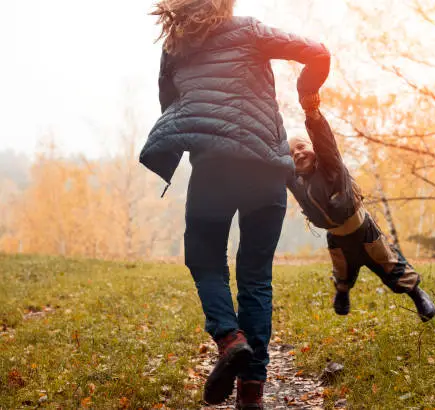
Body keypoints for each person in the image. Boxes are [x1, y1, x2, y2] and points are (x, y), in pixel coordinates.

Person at [139, 1, 330, 408]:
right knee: (256, 277)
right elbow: (318, 53)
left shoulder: (175, 46)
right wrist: (307, 92)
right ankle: (251, 392)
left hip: (214, 170)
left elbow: (169, 103)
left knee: (205, 260)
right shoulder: (251, 31)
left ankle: (230, 338)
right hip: (266, 169)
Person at [287, 95, 435, 321]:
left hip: (365, 231)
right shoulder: (295, 180)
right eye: (291, 153)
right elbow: (275, 161)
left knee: (390, 264)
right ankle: (342, 292)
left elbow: (324, 140)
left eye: (301, 147)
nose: (297, 154)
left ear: (313, 148)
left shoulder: (330, 165)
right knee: (342, 271)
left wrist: (313, 116)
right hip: (337, 238)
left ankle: (417, 295)